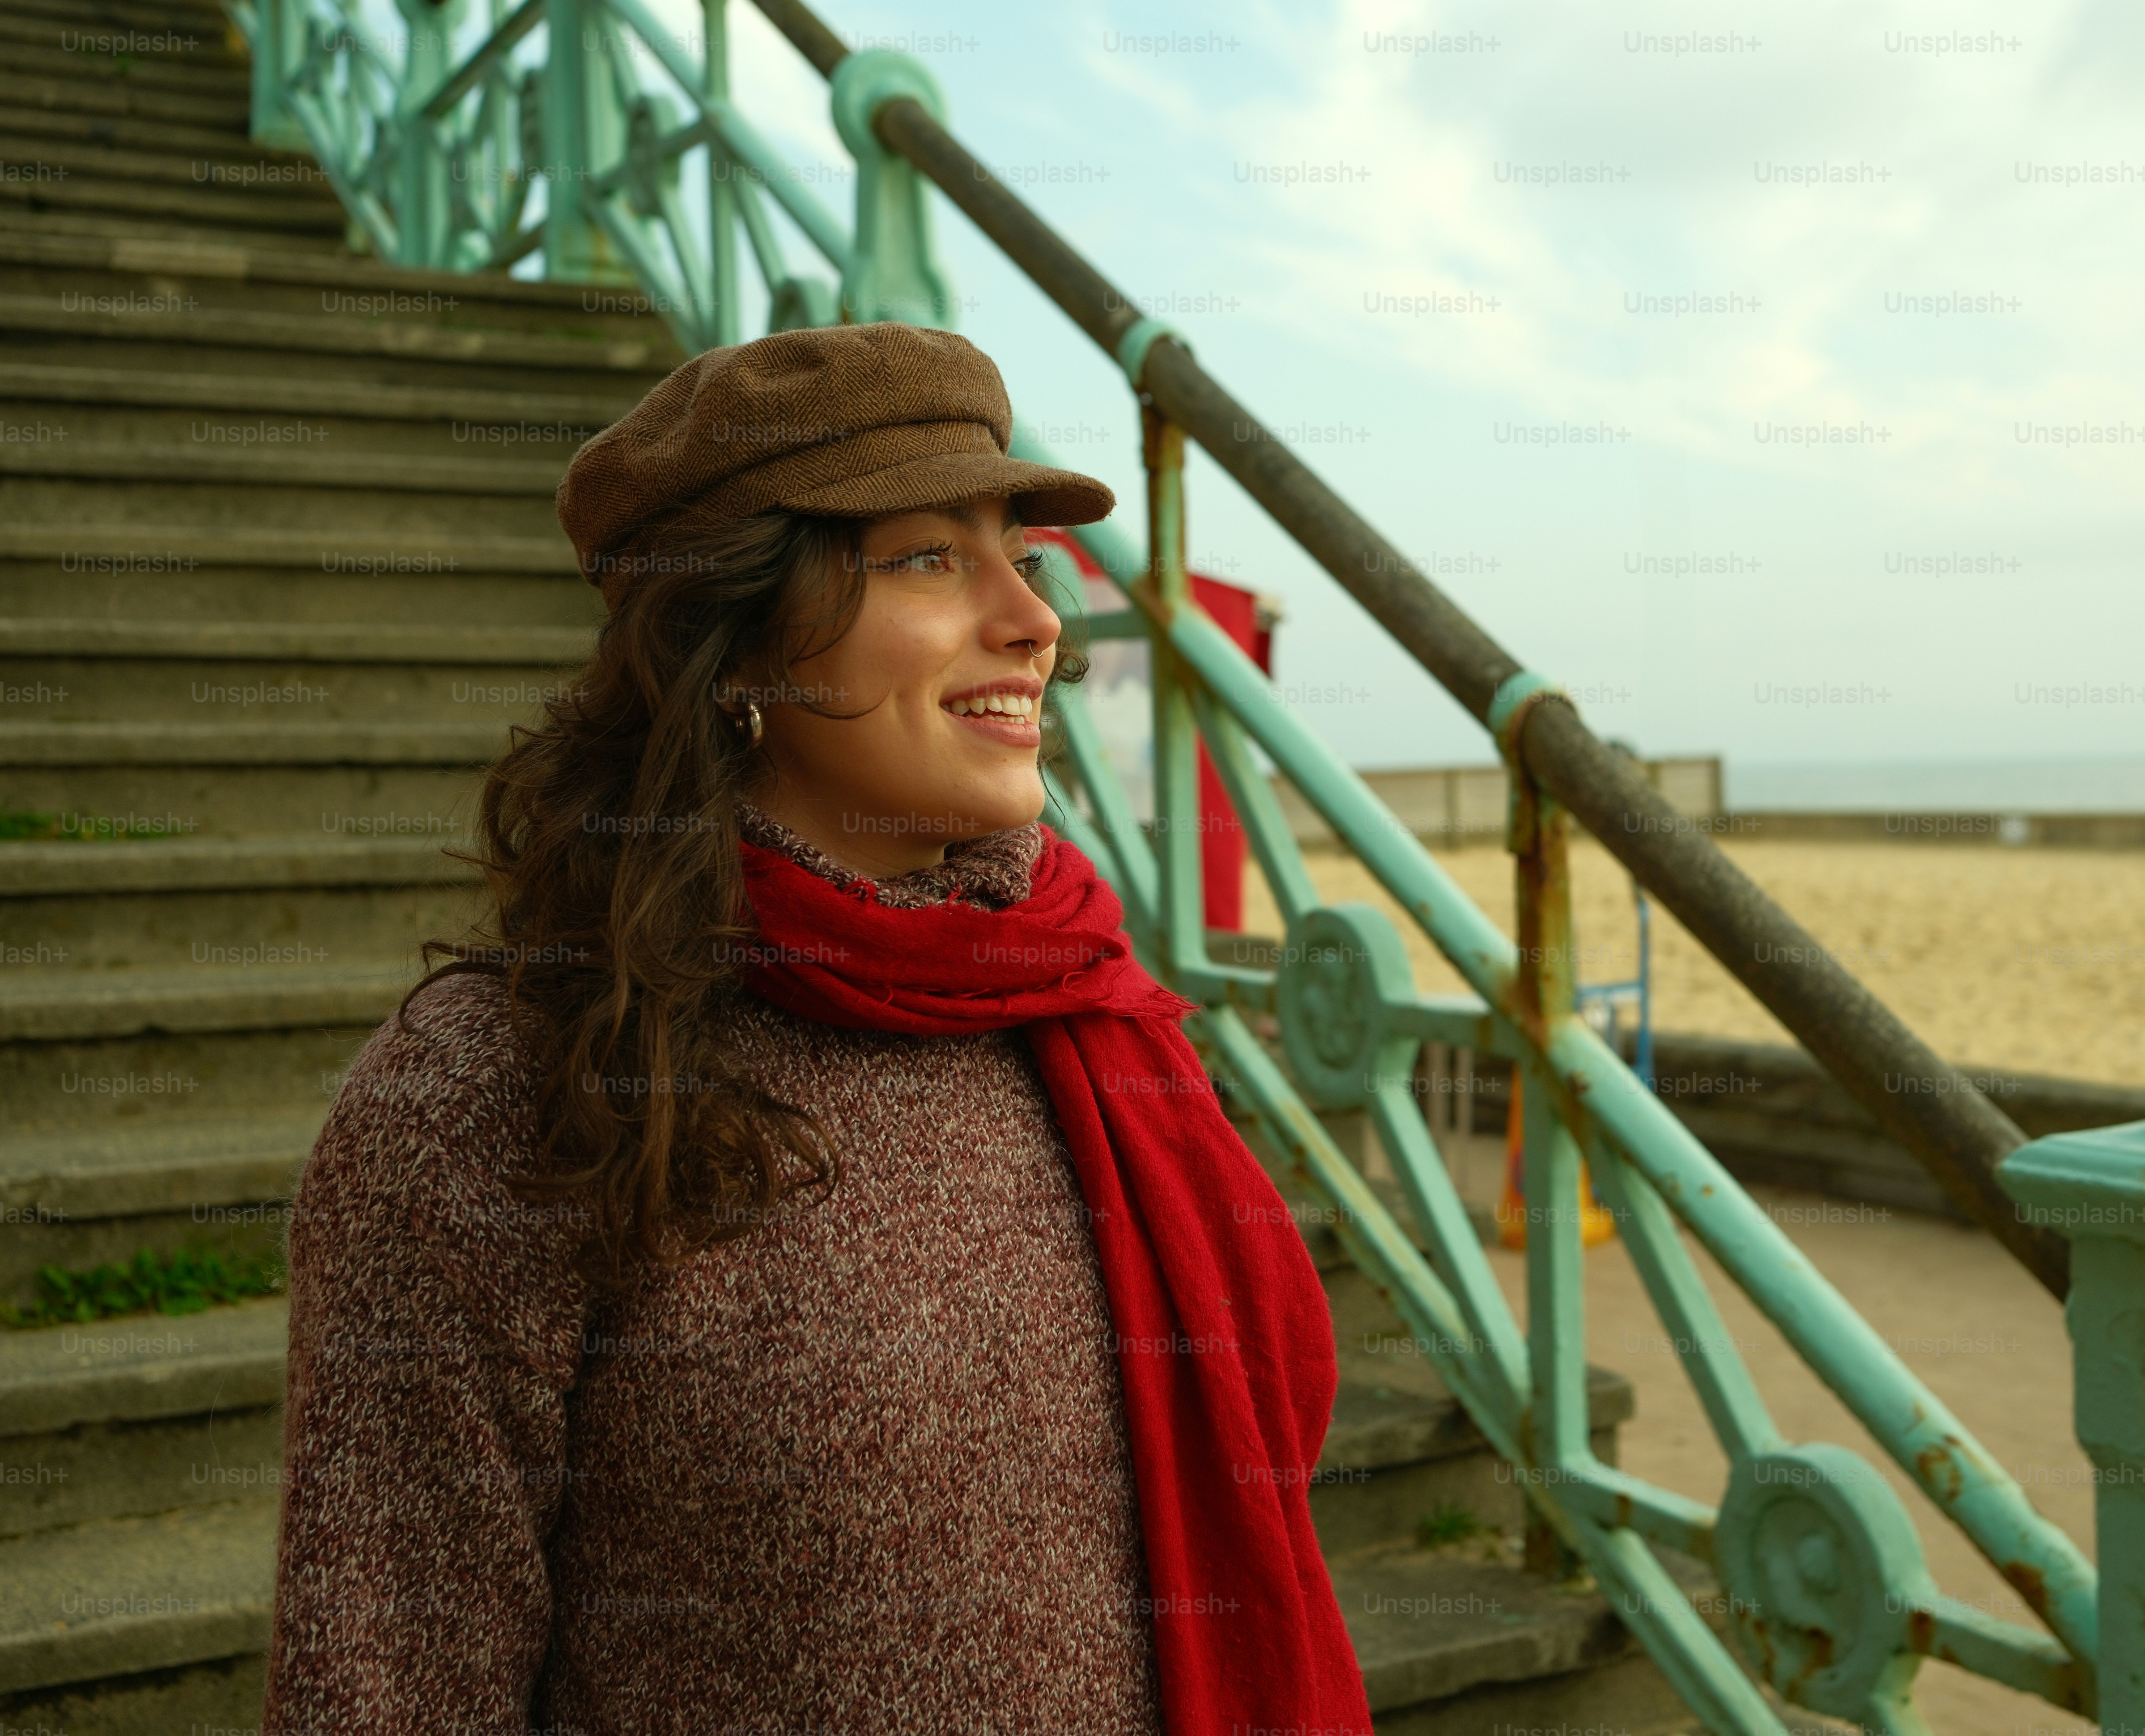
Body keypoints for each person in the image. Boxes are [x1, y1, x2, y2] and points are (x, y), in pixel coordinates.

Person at [260, 323, 1372, 1736]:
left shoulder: (1084, 1006)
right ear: (737, 644)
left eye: (1020, 558)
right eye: (927, 560)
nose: (1036, 622)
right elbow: (387, 1690)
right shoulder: (494, 1090)